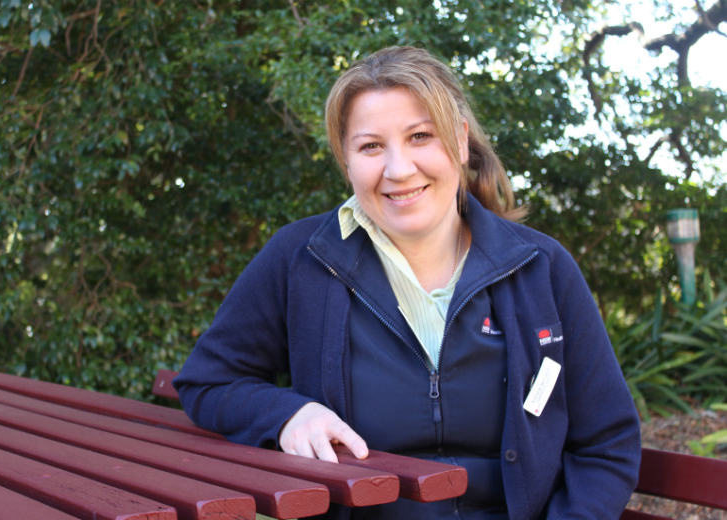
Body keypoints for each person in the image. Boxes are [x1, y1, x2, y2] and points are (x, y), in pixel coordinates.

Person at [174, 46, 641, 519]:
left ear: (459, 142)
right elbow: (209, 382)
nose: (398, 170)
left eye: (420, 136)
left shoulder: (540, 267)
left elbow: (606, 443)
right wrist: (286, 414)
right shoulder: (301, 259)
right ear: (346, 160)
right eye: (371, 146)